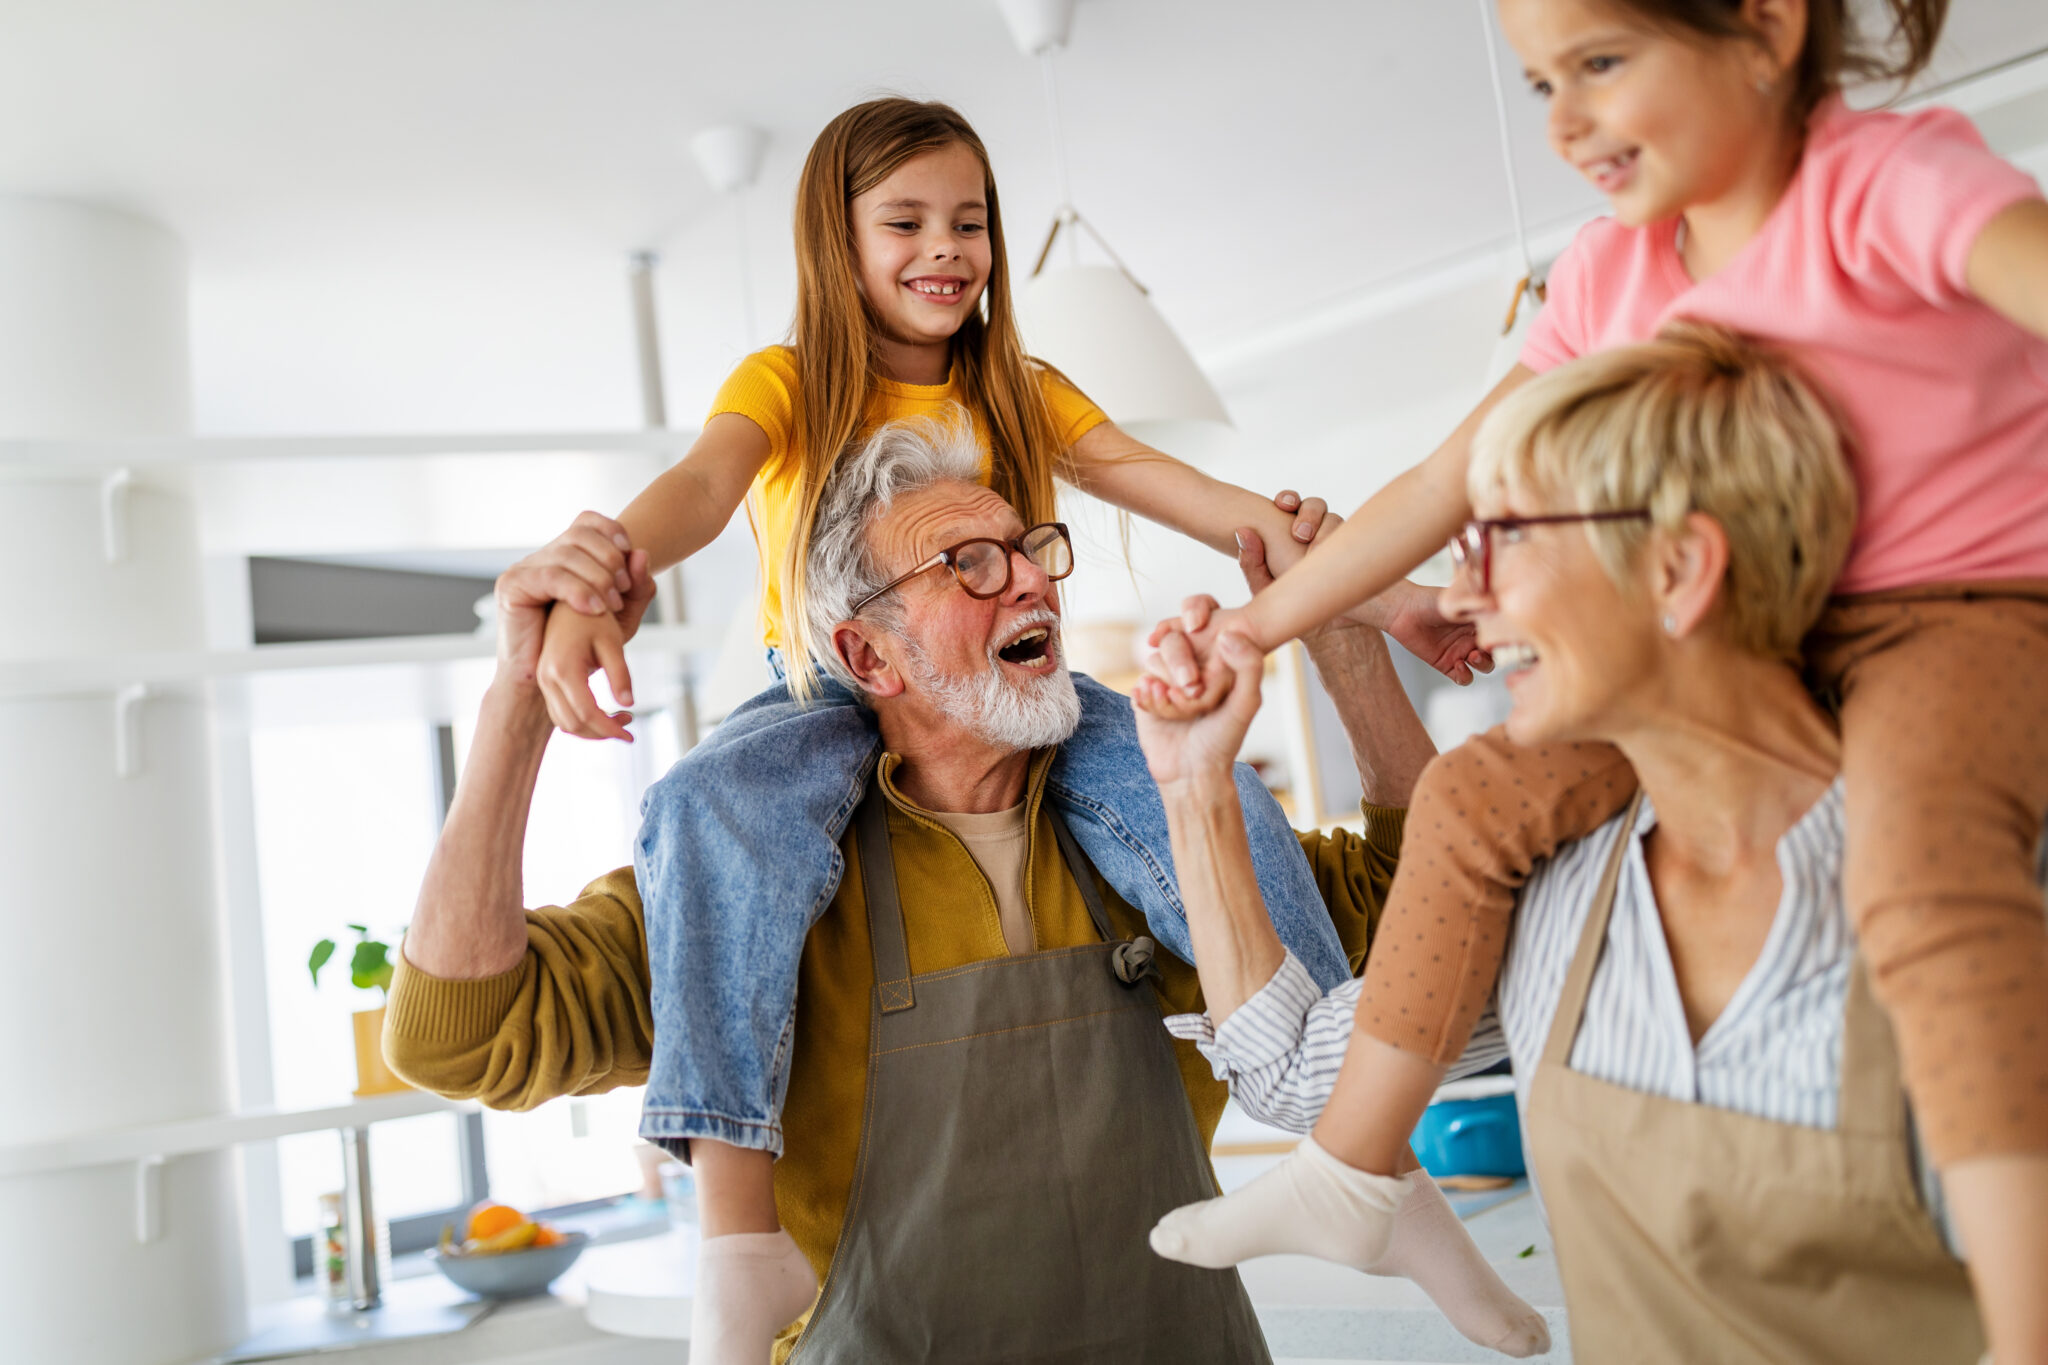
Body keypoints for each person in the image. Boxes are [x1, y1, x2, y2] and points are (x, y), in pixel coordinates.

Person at [1135, 4, 2048, 1353]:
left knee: (1925, 875)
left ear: (1767, 28)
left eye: (1602, 66)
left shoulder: (1886, 181)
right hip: (1778, 630)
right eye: (1541, 81)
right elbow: (1444, 482)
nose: (1561, 122)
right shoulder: (1616, 272)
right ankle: (1350, 1174)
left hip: (1959, 613)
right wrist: (1260, 633)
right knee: (1472, 797)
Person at [502, 95, 1489, 1313]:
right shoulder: (789, 381)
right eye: (905, 220)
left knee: (1217, 792)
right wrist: (605, 569)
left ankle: (1363, 1155)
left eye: (968, 220)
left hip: (1013, 685)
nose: (945, 247)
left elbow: (1204, 499)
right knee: (704, 806)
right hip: (817, 688)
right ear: (835, 243)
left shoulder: (1018, 386)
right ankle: (735, 1244)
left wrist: (1401, 604)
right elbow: (703, 488)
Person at [387, 415, 1549, 1365]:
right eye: (968, 566)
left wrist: (1348, 643)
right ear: (870, 657)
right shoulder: (745, 886)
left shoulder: (1159, 829)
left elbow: (1425, 924)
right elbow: (461, 1037)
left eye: (1030, 550)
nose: (1030, 587)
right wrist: (513, 710)